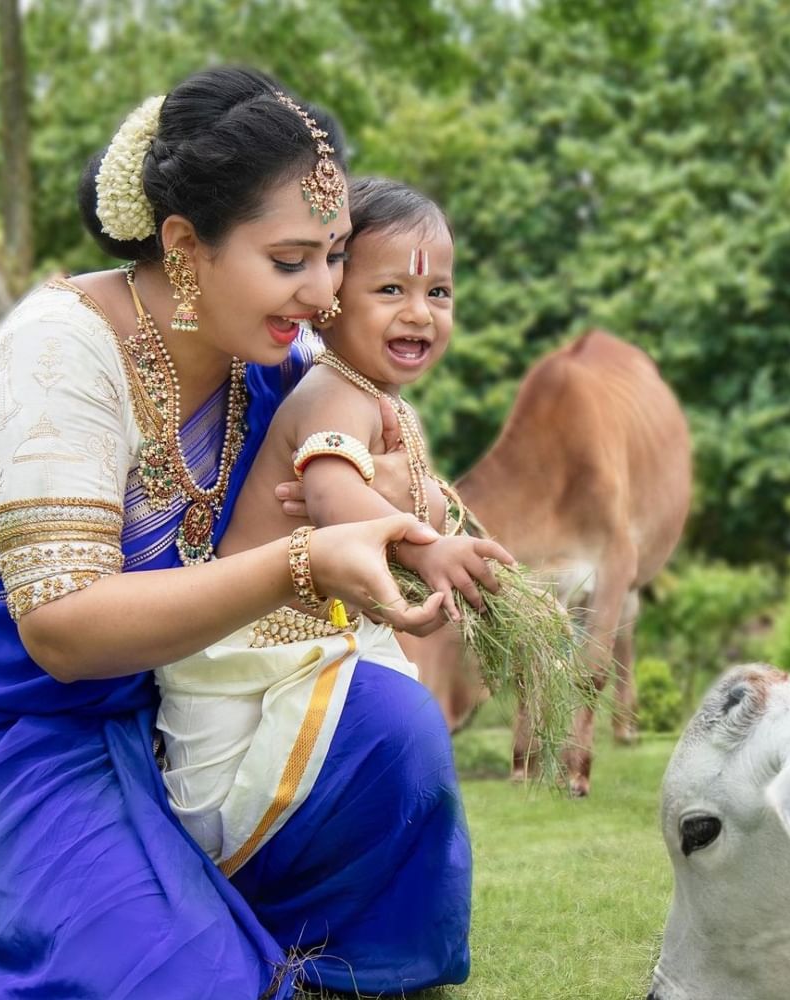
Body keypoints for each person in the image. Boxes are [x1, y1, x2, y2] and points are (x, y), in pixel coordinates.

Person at [0, 67, 494, 999]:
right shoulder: (58, 352)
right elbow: (58, 630)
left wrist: (401, 503)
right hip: (35, 730)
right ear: (185, 244)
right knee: (176, 978)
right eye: (293, 259)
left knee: (396, 735)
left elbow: (383, 464)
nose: (325, 292)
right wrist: (297, 560)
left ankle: (318, 949)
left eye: (338, 256)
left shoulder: (274, 350)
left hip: (192, 713)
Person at [153, 177, 502, 881]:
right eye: (391, 292)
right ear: (333, 299)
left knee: (403, 743)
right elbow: (336, 498)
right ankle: (269, 900)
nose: (420, 314)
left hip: (317, 638)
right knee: (237, 805)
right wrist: (430, 549)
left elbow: (413, 497)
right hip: (252, 651)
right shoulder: (333, 392)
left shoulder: (383, 402)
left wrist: (433, 514)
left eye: (438, 292)